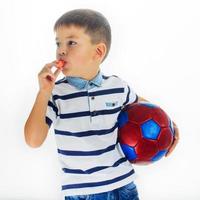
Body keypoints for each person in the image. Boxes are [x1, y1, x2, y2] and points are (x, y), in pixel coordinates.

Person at [24, 9, 179, 200]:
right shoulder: (56, 94)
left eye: (71, 42)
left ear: (98, 52)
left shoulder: (118, 86)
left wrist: (169, 126)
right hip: (81, 192)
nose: (61, 50)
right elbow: (33, 140)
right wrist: (43, 92)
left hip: (123, 185)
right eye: (58, 43)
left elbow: (143, 107)